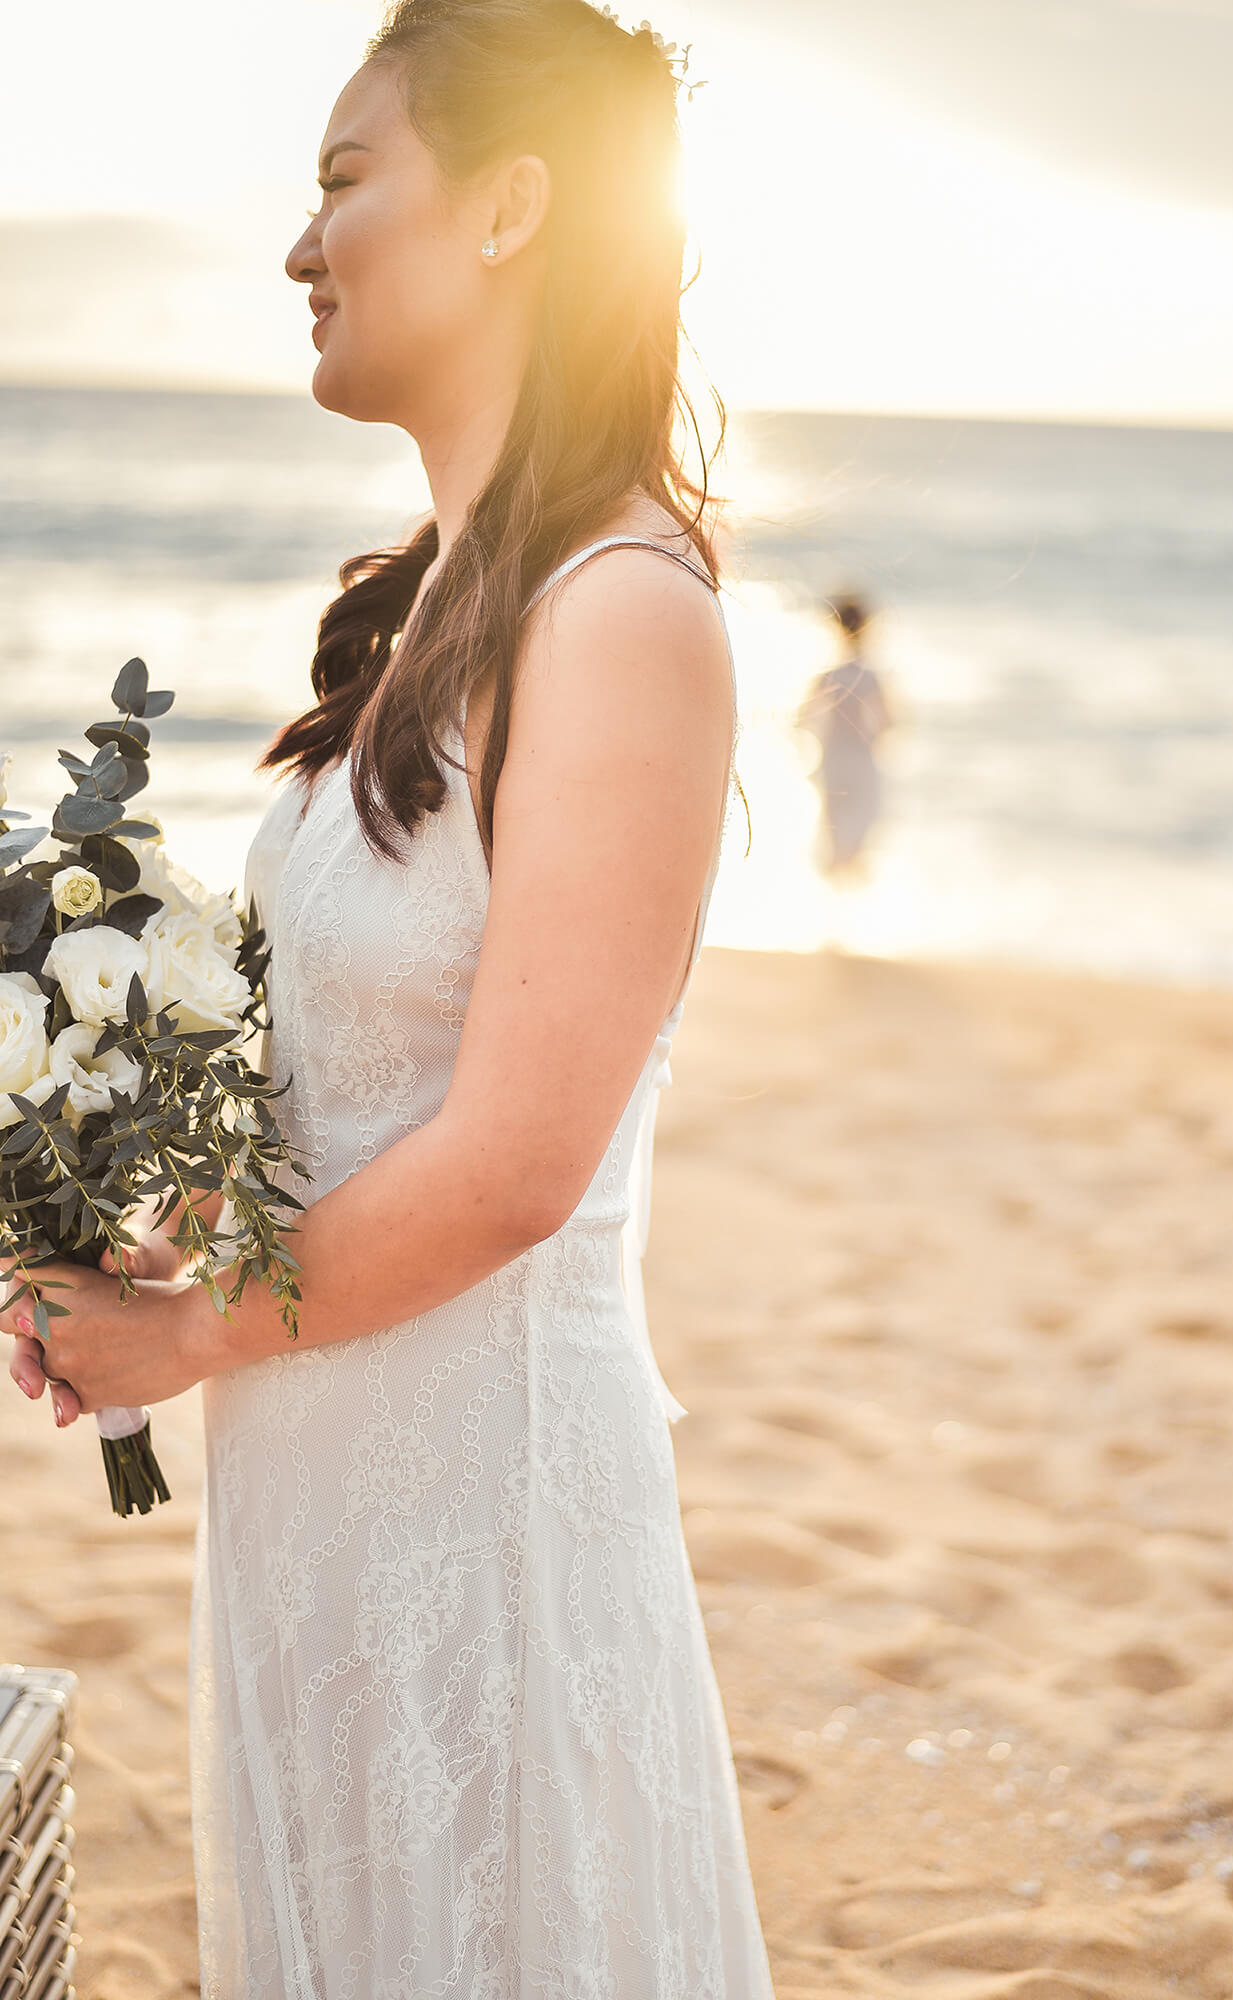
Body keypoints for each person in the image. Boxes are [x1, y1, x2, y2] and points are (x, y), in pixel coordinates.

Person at [2, 3, 776, 1993]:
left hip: (485, 1525)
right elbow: (371, 1079)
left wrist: (185, 1332)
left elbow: (519, 1159)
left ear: (513, 207)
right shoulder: (433, 604)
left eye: (347, 180)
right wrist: (134, 1190)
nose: (300, 246)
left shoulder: (620, 616)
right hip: (320, 1499)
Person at [797, 591, 894, 874]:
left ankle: (833, 895)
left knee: (833, 828)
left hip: (832, 756)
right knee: (862, 826)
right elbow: (889, 722)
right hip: (861, 757)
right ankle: (849, 896)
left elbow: (802, 719)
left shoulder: (829, 675)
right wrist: (873, 739)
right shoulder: (871, 675)